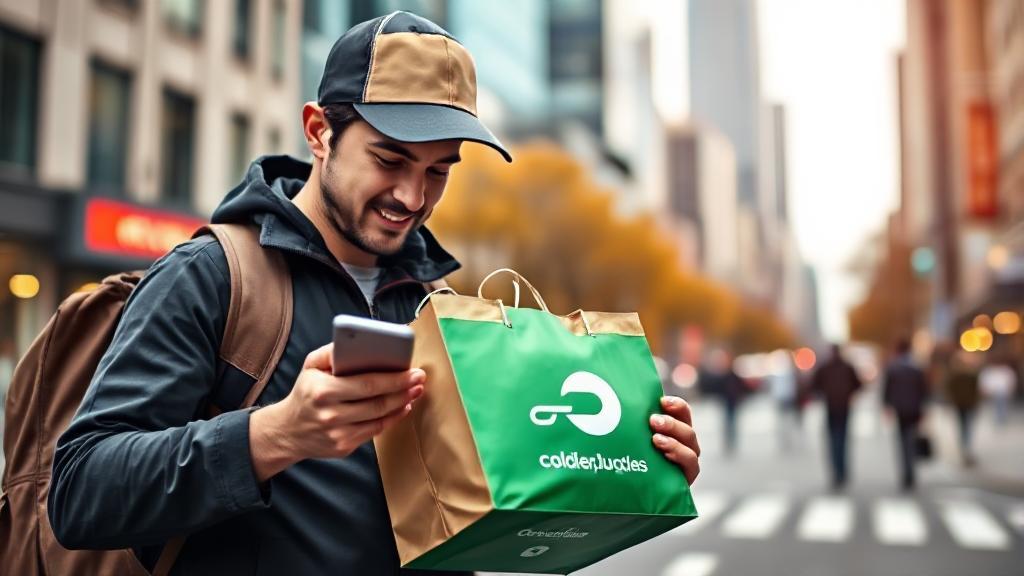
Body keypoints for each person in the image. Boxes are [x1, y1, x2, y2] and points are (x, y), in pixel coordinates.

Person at [47, 12, 701, 575]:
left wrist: (624, 461)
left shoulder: (437, 304)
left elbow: (485, 510)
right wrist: (276, 434)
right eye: (389, 160)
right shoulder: (211, 277)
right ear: (318, 131)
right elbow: (79, 492)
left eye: (438, 170)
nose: (413, 197)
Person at [810, 343, 862, 489]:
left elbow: (814, 385)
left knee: (833, 441)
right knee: (843, 440)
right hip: (843, 407)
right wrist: (849, 394)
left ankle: (836, 472)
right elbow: (858, 385)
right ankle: (842, 471)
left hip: (831, 407)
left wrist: (824, 394)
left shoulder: (825, 367)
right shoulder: (847, 367)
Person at [882, 339, 929, 490]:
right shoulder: (917, 367)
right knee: (910, 440)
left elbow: (887, 390)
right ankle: (910, 472)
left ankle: (906, 472)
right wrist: (924, 409)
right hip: (914, 409)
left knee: (903, 442)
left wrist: (887, 406)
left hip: (900, 409)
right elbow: (924, 391)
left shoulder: (893, 368)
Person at [945, 350, 980, 466]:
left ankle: (964, 448)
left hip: (960, 405)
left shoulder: (953, 375)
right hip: (968, 405)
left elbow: (949, 391)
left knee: (962, 427)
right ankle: (967, 449)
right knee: (967, 426)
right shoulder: (971, 375)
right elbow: (976, 391)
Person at [979, 355, 1018, 427]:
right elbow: (983, 382)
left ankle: (1001, 417)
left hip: (1003, 393)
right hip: (991, 393)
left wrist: (1010, 391)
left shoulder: (1006, 370)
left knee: (1001, 399)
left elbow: (1011, 382)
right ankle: (997, 417)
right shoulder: (988, 371)